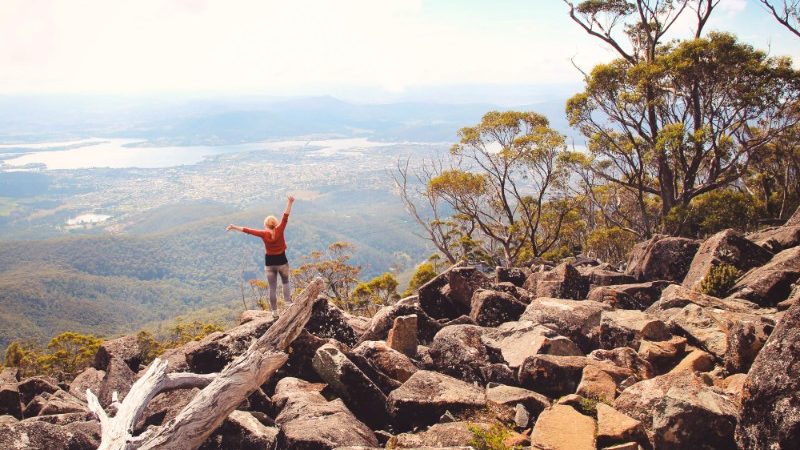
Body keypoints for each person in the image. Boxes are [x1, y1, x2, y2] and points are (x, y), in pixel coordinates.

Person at [227, 196, 295, 315]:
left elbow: (247, 230)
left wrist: (234, 227)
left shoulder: (263, 234)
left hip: (269, 264)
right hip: (282, 261)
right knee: (285, 282)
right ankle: (288, 304)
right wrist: (290, 202)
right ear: (275, 223)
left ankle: (274, 312)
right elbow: (285, 216)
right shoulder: (280, 229)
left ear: (266, 225)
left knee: (272, 288)